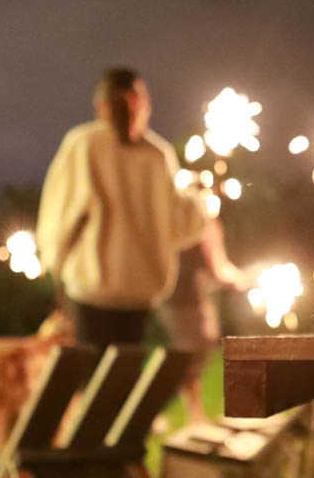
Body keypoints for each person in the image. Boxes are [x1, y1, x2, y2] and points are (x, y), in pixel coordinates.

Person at [36, 67, 207, 349]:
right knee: (124, 380)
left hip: (91, 288)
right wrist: (201, 199)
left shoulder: (83, 144)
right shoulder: (158, 154)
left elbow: (59, 217)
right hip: (140, 292)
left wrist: (55, 263)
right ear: (139, 102)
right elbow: (180, 224)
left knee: (93, 385)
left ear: (99, 104)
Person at [160, 217, 249, 423]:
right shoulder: (203, 223)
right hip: (182, 300)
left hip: (185, 297)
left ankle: (192, 416)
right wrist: (239, 279)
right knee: (188, 360)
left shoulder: (187, 220)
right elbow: (218, 268)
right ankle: (154, 409)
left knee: (192, 357)